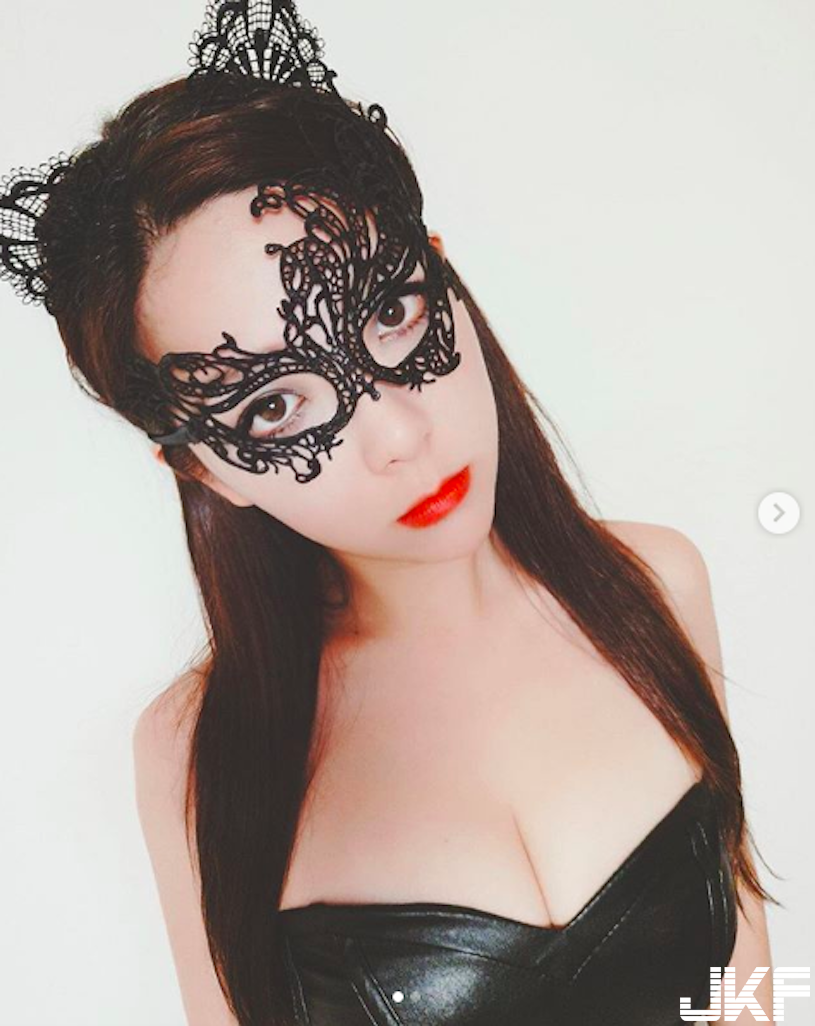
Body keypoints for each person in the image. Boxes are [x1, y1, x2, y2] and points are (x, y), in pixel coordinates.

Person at [0, 1, 776, 1023]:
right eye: (273, 406)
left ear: (441, 274)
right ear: (205, 472)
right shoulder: (198, 751)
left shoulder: (655, 583)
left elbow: (746, 983)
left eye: (389, 312)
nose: (398, 434)